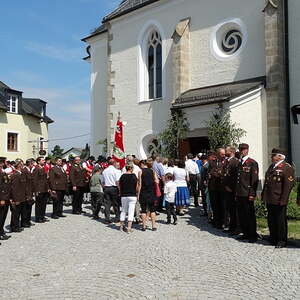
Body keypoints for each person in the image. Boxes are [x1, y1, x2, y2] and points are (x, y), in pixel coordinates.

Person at [262, 148, 295, 248]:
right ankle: (273, 237)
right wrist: (264, 195)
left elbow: (288, 186)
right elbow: (267, 182)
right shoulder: (272, 166)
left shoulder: (286, 167)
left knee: (280, 220)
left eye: (273, 155)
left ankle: (281, 240)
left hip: (279, 198)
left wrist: (283, 200)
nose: (271, 157)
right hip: (270, 198)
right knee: (271, 219)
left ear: (280, 156)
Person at [236, 143, 259, 243]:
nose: (242, 151)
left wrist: (252, 193)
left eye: (244, 149)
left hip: (247, 193)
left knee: (249, 215)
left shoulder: (252, 163)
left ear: (247, 150)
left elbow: (254, 179)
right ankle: (245, 233)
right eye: (241, 149)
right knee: (242, 215)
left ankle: (252, 235)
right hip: (240, 192)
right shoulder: (239, 162)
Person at [222, 147, 239, 234]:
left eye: (227, 150)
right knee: (229, 209)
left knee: (233, 210)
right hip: (226, 189)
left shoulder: (235, 161)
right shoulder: (227, 161)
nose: (225, 152)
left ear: (232, 152)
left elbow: (235, 177)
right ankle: (231, 226)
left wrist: (231, 187)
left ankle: (235, 227)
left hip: (232, 189)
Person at [138, 159, 158, 231]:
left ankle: (144, 226)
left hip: (143, 192)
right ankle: (154, 226)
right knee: (152, 210)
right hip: (151, 192)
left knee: (143, 210)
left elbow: (139, 184)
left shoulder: (140, 172)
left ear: (142, 165)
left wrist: (138, 194)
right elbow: (157, 181)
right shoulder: (152, 171)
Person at [119, 164, 138, 233]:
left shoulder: (123, 176)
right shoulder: (133, 176)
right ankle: (129, 228)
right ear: (131, 168)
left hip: (124, 195)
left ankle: (121, 227)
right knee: (131, 212)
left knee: (123, 211)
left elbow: (119, 184)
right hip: (132, 195)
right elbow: (136, 186)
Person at [102, 159, 121, 224]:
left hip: (106, 187)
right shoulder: (116, 171)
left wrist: (104, 188)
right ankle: (117, 218)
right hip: (114, 188)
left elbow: (103, 182)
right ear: (114, 163)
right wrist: (119, 189)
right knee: (115, 204)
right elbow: (117, 182)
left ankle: (107, 218)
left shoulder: (104, 171)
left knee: (107, 204)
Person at [10, 159, 26, 232]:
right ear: (19, 165)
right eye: (22, 164)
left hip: (21, 197)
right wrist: (15, 199)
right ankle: (14, 227)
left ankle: (16, 226)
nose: (23, 166)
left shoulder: (20, 174)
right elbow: (14, 188)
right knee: (15, 213)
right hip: (17, 197)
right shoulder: (16, 175)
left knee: (18, 213)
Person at [33, 157, 50, 223]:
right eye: (42, 160)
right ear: (38, 162)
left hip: (45, 189)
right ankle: (38, 218)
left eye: (44, 160)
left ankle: (42, 216)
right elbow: (35, 181)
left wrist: (48, 188)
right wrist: (36, 190)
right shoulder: (36, 169)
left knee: (43, 204)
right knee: (39, 204)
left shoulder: (43, 168)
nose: (44, 161)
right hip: (39, 189)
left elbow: (46, 180)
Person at [22, 159, 35, 228]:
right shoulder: (24, 171)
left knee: (29, 207)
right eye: (32, 164)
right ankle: (24, 222)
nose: (33, 165)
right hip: (26, 192)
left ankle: (28, 221)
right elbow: (24, 184)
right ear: (29, 164)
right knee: (25, 208)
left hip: (30, 192)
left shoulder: (29, 171)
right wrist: (27, 194)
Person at [0, 157, 11, 242]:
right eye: (5, 162)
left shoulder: (2, 172)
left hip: (6, 197)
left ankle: (1, 232)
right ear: (2, 163)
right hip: (2, 198)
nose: (6, 163)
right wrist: (2, 198)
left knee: (3, 216)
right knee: (1, 216)